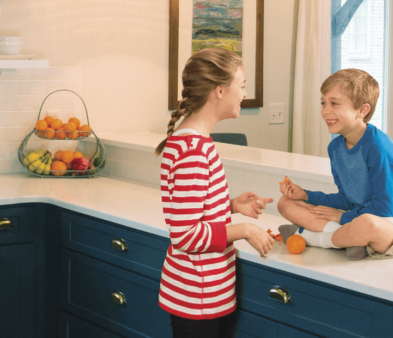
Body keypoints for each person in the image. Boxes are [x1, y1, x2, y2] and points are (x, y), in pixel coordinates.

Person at [155, 48, 276, 338]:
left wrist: (230, 205)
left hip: (198, 294)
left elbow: (194, 211)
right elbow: (185, 234)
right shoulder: (194, 150)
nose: (244, 94)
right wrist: (245, 229)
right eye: (242, 85)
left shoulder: (194, 141)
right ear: (220, 91)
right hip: (198, 296)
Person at [277, 68, 393, 261]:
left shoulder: (377, 147)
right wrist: (306, 195)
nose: (325, 111)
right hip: (354, 218)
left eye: (334, 104)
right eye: (323, 103)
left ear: (362, 110)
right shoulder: (335, 148)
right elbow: (347, 199)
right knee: (285, 204)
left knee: (367, 224)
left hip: (384, 221)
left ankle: (313, 237)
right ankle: (348, 241)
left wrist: (341, 217)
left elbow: (384, 208)